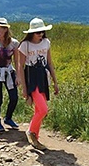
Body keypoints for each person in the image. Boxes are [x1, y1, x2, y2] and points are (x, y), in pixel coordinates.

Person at [16, 17, 60, 150]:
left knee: (39, 109)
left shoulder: (46, 43)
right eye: (37, 32)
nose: (40, 34)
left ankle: (36, 138)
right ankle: (31, 132)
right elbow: (20, 67)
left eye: (42, 32)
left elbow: (50, 63)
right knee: (43, 110)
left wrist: (55, 82)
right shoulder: (25, 45)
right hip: (31, 77)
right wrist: (24, 88)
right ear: (31, 33)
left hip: (43, 76)